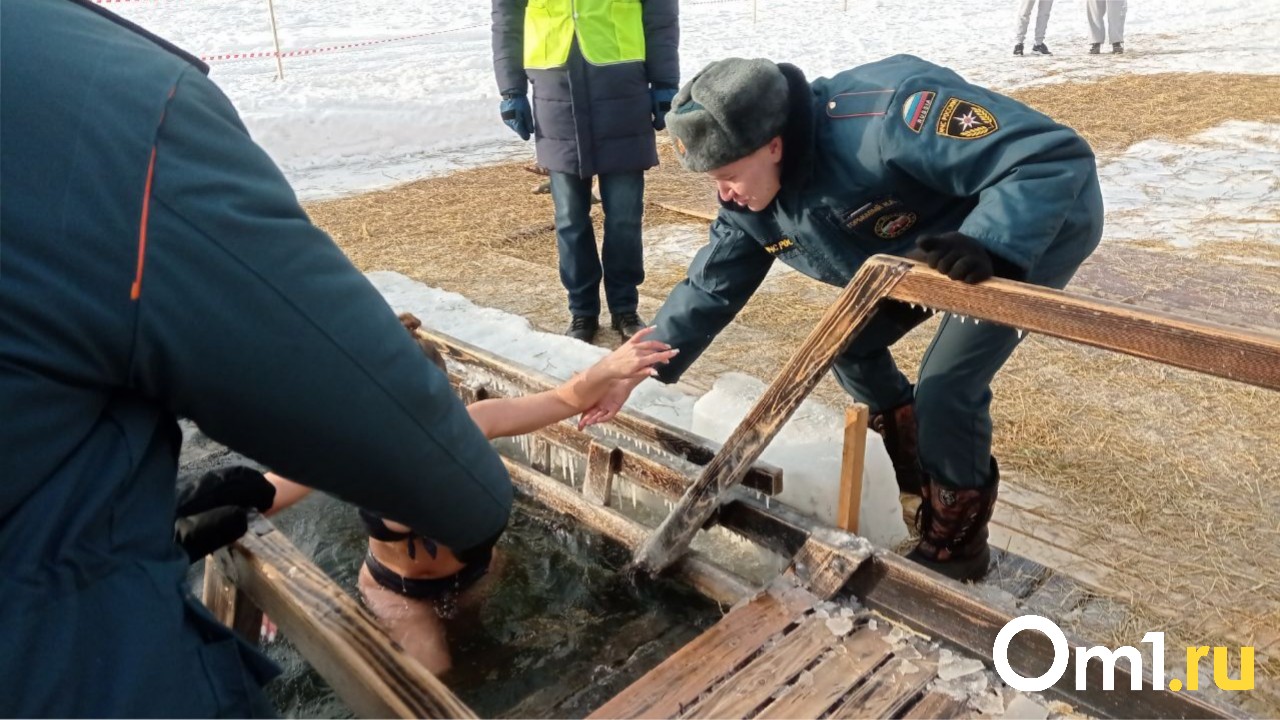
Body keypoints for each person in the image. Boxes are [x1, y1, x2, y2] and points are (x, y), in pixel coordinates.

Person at [1, 1, 509, 715]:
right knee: (430, 669)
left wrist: (597, 383)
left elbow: (510, 414)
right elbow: (347, 424)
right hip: (80, 657)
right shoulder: (103, 94)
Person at [578, 55, 1104, 583]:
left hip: (1028, 225)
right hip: (916, 252)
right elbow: (709, 286)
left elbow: (1047, 157)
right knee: (849, 342)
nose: (724, 194)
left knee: (949, 384)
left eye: (730, 176)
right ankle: (909, 464)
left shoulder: (887, 119)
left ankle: (958, 542)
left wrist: (991, 242)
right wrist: (632, 371)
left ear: (774, 145)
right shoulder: (753, 197)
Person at [260, 313, 677, 673]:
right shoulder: (348, 452)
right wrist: (269, 581)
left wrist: (607, 369)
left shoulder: (473, 422)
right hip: (398, 591)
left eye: (433, 411)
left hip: (479, 573)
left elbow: (560, 400)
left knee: (486, 652)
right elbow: (261, 496)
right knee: (435, 675)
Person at [491, 0, 680, 343]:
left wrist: (664, 80)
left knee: (624, 215)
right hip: (554, 86)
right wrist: (511, 89)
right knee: (569, 217)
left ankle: (625, 308)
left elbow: (660, 11)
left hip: (622, 83)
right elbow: (507, 17)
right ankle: (582, 312)